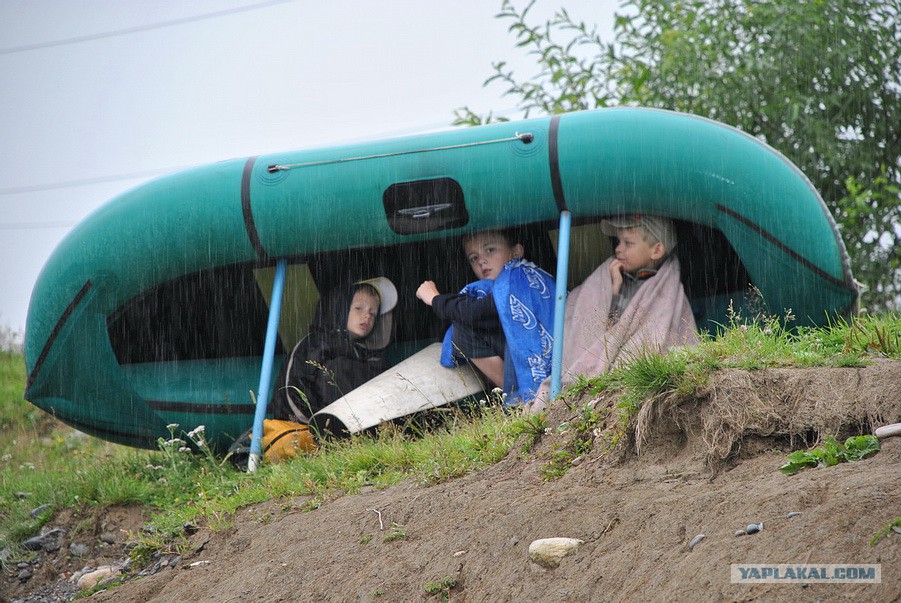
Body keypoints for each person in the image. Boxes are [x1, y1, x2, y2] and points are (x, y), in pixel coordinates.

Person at [529, 214, 699, 411]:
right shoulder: (615, 280)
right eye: (618, 242)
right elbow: (608, 331)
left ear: (656, 250)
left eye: (628, 243)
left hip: (631, 377)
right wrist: (615, 292)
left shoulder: (667, 293)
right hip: (603, 369)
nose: (618, 249)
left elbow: (660, 338)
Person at [416, 229, 556, 405]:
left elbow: (474, 312)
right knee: (463, 326)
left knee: (463, 326)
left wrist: (435, 299)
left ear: (516, 252)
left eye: (490, 250)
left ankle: (519, 399)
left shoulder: (519, 278)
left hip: (561, 359)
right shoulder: (504, 285)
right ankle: (515, 394)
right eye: (474, 258)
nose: (481, 261)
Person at [270, 277, 398, 423]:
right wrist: (323, 425)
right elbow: (293, 391)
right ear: (339, 308)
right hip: (309, 429)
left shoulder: (372, 358)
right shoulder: (314, 344)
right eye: (358, 308)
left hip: (363, 431)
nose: (367, 316)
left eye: (373, 313)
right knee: (338, 367)